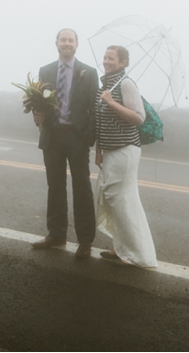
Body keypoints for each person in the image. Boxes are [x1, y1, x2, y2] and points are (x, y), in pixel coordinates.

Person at [31, 28, 99, 260]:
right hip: (53, 137)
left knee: (82, 189)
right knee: (55, 187)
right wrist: (38, 114)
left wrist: (87, 138)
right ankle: (56, 234)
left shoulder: (88, 73)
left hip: (77, 139)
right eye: (63, 40)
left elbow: (94, 107)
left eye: (71, 40)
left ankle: (85, 240)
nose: (67, 43)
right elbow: (39, 100)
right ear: (57, 43)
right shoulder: (46, 70)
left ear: (77, 44)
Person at [94, 46, 157, 268]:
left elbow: (138, 117)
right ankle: (122, 248)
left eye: (111, 58)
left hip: (125, 149)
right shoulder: (104, 85)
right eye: (105, 57)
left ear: (123, 63)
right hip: (110, 150)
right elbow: (100, 123)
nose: (106, 61)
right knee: (115, 200)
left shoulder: (127, 84)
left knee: (122, 200)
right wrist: (99, 150)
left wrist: (112, 103)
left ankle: (139, 254)